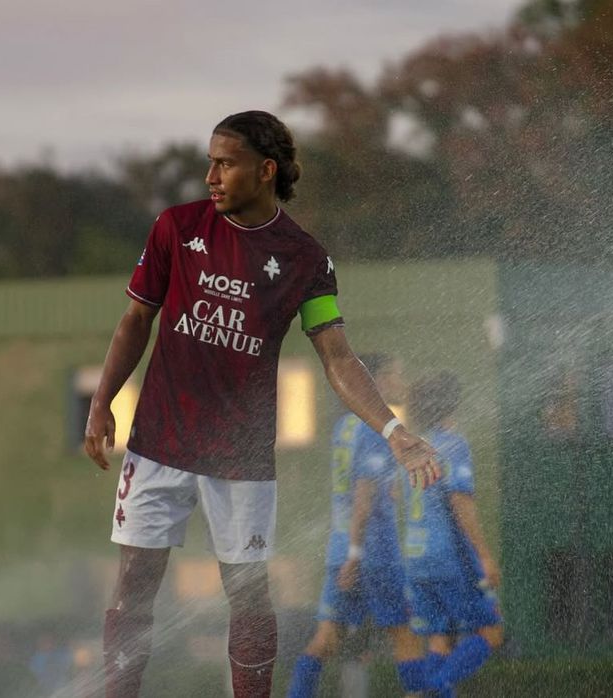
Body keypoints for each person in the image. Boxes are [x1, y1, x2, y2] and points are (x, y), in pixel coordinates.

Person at [83, 110, 440, 698]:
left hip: (241, 453)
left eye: (224, 163)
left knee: (248, 592)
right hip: (159, 442)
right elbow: (134, 320)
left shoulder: (304, 258)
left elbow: (338, 358)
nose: (210, 176)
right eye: (209, 162)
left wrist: (394, 431)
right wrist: (102, 403)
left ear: (265, 170)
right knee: (135, 584)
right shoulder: (176, 227)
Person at [287, 354, 425, 698]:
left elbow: (356, 487)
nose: (400, 382)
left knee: (326, 639)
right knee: (403, 635)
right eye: (395, 374)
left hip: (340, 550)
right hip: (371, 553)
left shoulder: (343, 426)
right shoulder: (376, 425)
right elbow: (363, 497)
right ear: (374, 380)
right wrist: (355, 553)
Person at [401, 372, 503, 697]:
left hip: (416, 558)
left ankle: (432, 688)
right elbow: (460, 501)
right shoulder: (453, 444)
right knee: (491, 631)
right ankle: (434, 687)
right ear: (452, 405)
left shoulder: (415, 448)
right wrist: (485, 556)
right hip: (448, 558)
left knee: (439, 637)